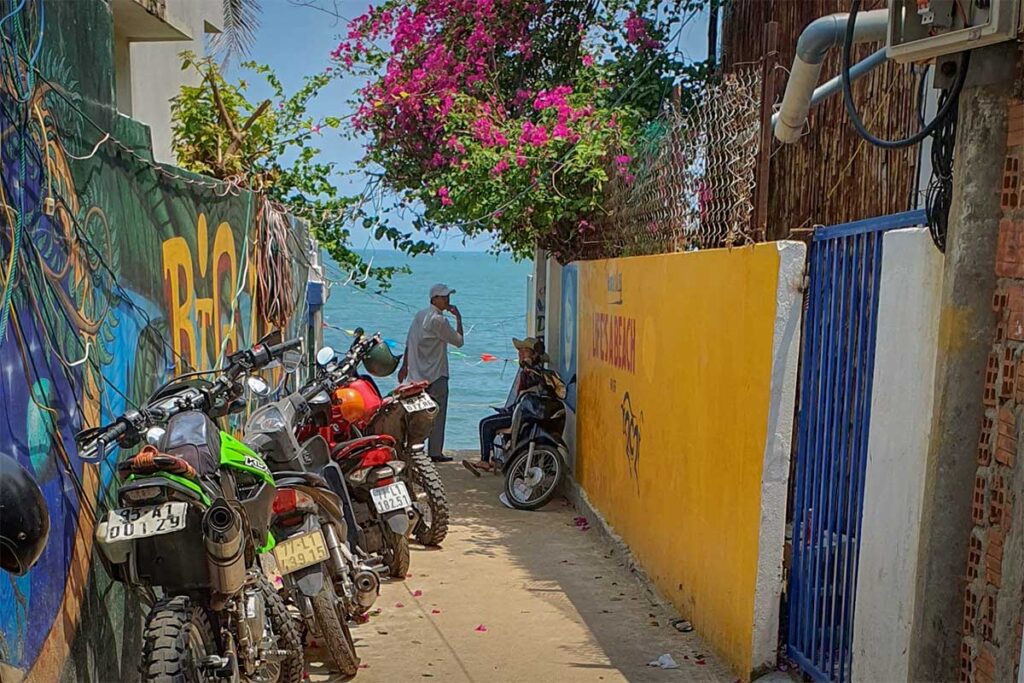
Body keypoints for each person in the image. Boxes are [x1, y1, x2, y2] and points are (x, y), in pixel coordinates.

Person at [399, 283, 464, 463]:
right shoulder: (439, 320)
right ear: (434, 299)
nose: (447, 300)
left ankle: (412, 449)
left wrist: (404, 365)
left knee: (416, 415)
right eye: (444, 297)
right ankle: (435, 452)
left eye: (448, 296)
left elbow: (409, 341)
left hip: (417, 375)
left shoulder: (420, 316)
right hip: (437, 374)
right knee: (437, 414)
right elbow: (459, 341)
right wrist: (459, 318)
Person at [463, 337, 544, 476]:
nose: (520, 355)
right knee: (490, 423)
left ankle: (485, 460)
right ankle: (492, 459)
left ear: (533, 354)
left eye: (524, 352)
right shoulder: (526, 371)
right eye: (520, 352)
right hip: (518, 411)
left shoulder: (533, 372)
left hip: (522, 415)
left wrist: (528, 367)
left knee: (485, 424)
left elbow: (531, 388)